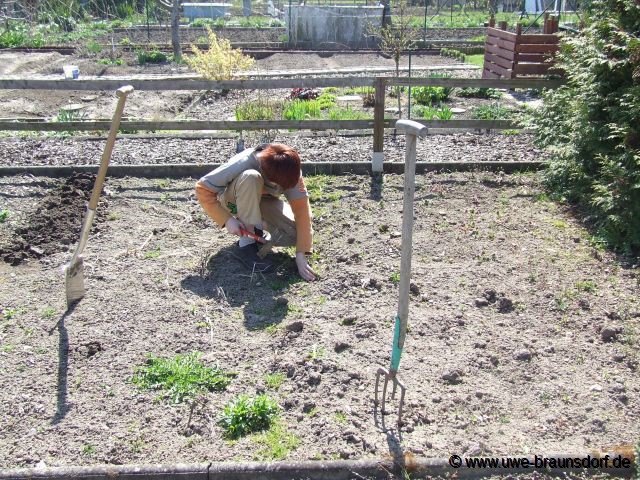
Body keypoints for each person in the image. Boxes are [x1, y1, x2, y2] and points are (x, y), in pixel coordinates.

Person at [195, 143, 316, 281]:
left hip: (262, 201)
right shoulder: (244, 162)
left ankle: (259, 229)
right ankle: (246, 244)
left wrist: (301, 254)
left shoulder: (290, 171)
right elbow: (202, 188)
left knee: (296, 234)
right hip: (233, 201)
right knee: (251, 177)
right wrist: (227, 220)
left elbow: (302, 213)